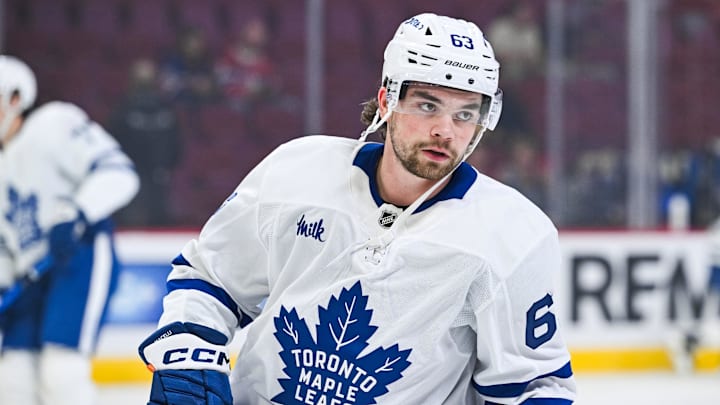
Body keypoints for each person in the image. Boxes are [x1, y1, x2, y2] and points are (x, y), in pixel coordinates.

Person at [139, 13, 576, 404]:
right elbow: (212, 278)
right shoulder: (297, 171)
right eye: (428, 105)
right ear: (387, 100)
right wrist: (187, 349)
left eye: (465, 114)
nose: (446, 130)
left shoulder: (511, 234)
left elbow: (534, 387)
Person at [0, 55, 139, 405]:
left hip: (78, 258)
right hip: (28, 276)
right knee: (13, 377)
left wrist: (74, 213)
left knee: (61, 372)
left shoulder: (53, 124)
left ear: (15, 98)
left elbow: (119, 174)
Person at [109, 58, 182, 227]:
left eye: (148, 79)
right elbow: (113, 142)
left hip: (159, 173)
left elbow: (175, 142)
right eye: (141, 78)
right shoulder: (122, 109)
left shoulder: (166, 109)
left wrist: (166, 165)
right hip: (129, 173)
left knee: (159, 216)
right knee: (129, 218)